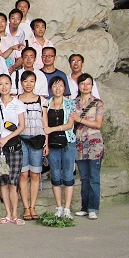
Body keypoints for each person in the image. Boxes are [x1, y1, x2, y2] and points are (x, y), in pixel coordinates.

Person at [0, 74, 26, 225]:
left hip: (14, 146)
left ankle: (15, 214)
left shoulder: (18, 104)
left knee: (13, 182)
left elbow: (22, 126)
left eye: (6, 83)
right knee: (3, 182)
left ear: (11, 85)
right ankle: (7, 214)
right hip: (0, 149)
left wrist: (7, 138)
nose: (4, 87)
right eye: (0, 84)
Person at [72, 73, 106, 220]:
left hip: (94, 143)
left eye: (88, 84)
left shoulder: (98, 103)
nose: (85, 86)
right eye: (82, 83)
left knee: (94, 178)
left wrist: (80, 119)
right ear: (78, 85)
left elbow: (98, 124)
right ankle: (84, 207)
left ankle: (93, 208)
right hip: (79, 143)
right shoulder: (74, 103)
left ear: (92, 86)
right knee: (84, 178)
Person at [16, 70, 49, 222]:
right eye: (25, 81)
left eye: (31, 81)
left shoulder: (42, 100)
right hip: (21, 139)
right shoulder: (16, 100)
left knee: (35, 174)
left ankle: (33, 206)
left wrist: (46, 142)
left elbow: (45, 122)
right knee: (23, 174)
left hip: (37, 139)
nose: (28, 84)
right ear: (21, 83)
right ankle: (25, 207)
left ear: (35, 83)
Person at [43, 76, 77, 219]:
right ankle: (59, 207)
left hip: (68, 141)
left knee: (68, 174)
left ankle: (67, 209)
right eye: (55, 86)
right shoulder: (46, 104)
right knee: (55, 174)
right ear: (50, 88)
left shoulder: (70, 104)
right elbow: (45, 126)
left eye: (60, 85)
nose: (57, 88)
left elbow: (70, 125)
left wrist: (53, 129)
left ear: (65, 88)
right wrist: (46, 144)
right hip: (52, 143)